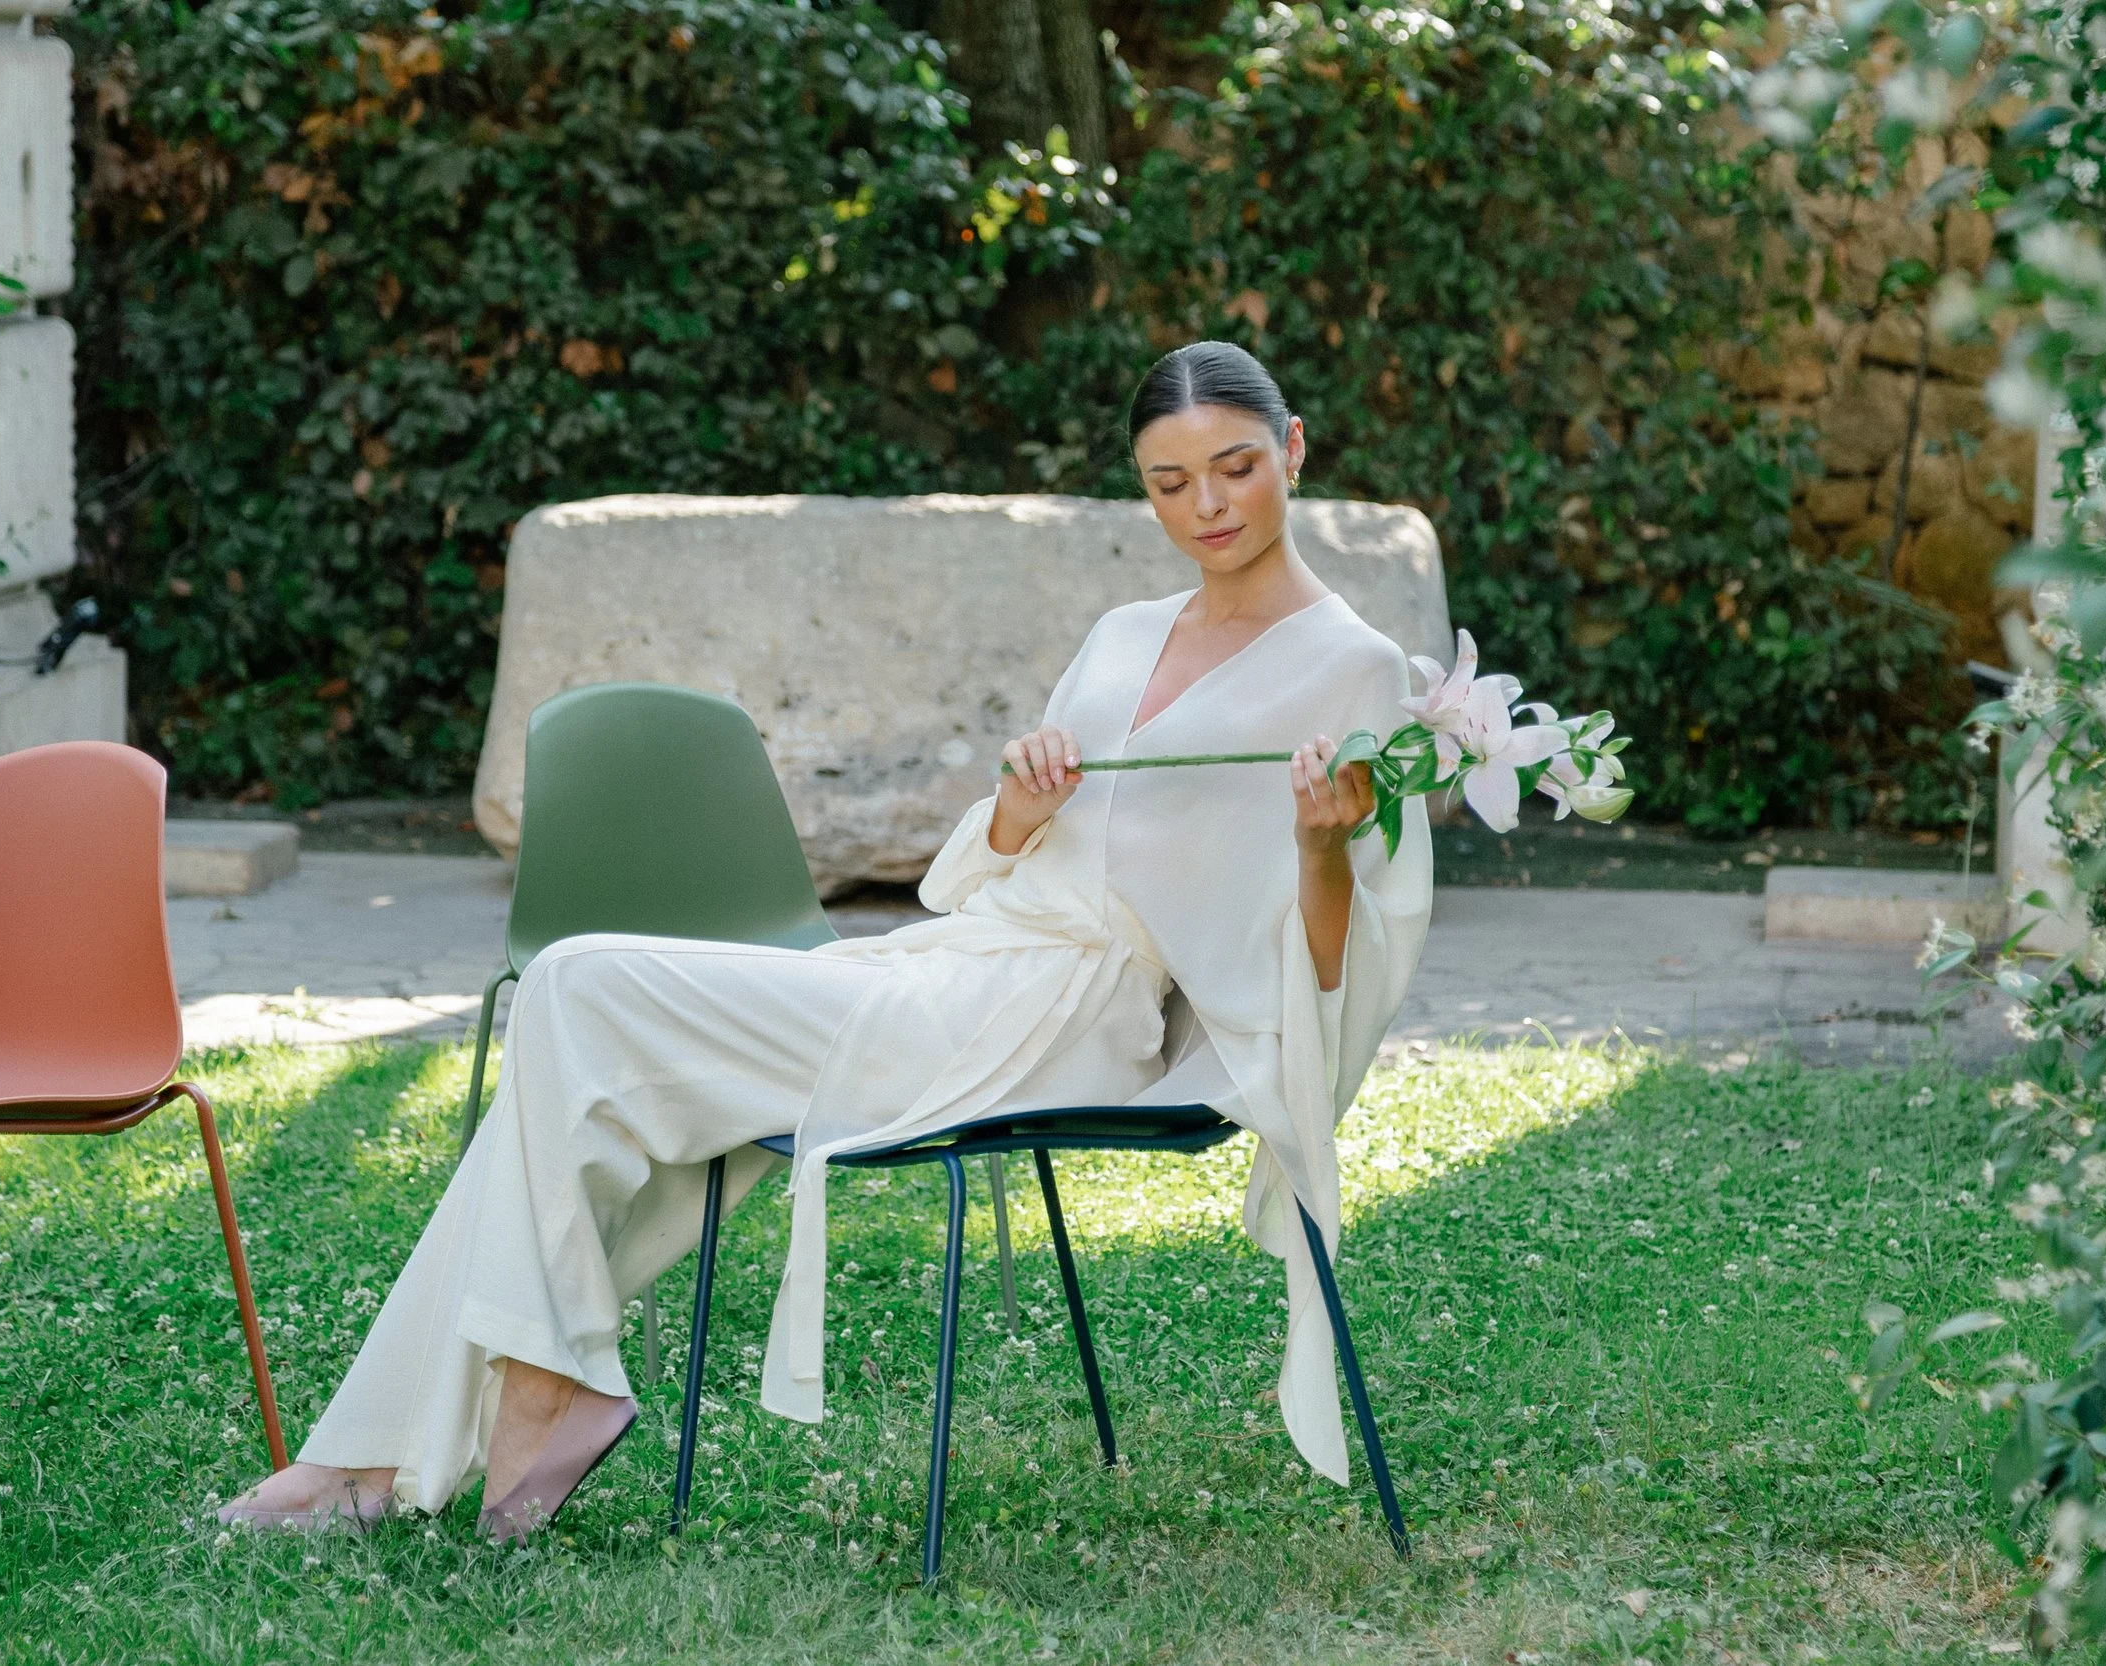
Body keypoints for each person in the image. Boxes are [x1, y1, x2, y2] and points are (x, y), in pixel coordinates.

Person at [218, 339, 1436, 1540]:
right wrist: (1019, 804)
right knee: (571, 1015)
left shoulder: (1355, 668)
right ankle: (439, 1428)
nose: (1206, 507)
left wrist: (1323, 843)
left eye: (1233, 468)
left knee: (579, 985)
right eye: (1169, 484)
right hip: (960, 968)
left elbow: (1339, 969)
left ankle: (442, 1430)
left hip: (1072, 1022)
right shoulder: (1123, 633)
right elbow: (995, 863)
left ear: (1291, 449)